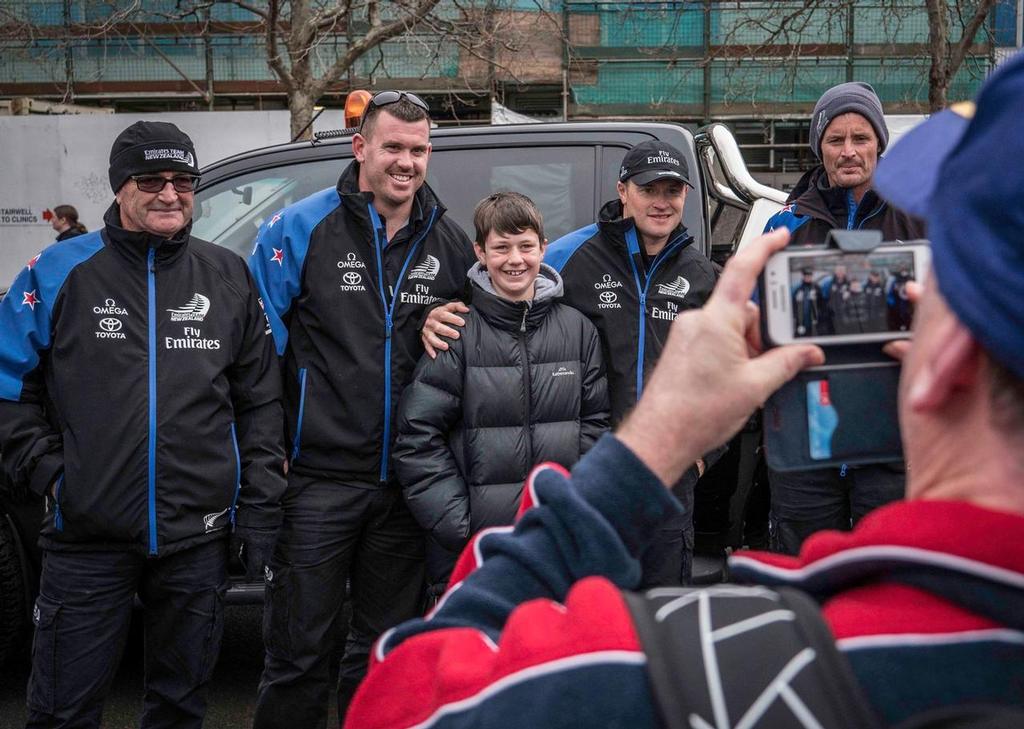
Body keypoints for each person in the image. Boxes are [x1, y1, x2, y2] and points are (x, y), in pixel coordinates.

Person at [342, 54, 1024, 727]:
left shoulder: (724, 667)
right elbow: (517, 290)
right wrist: (453, 310)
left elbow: (408, 696)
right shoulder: (582, 257)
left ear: (945, 357)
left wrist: (653, 446)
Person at [0, 121, 286, 729]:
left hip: (197, 540)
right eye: (150, 180)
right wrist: (53, 476)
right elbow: (6, 389)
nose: (169, 194)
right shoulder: (57, 271)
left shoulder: (228, 274)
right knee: (61, 712)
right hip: (86, 539)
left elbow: (261, 402)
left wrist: (259, 507)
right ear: (119, 187)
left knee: (180, 708)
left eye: (183, 181)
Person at [248, 90, 477, 727]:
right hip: (316, 480)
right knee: (298, 656)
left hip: (406, 488)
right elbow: (254, 357)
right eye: (393, 148)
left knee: (383, 657)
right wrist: (268, 461)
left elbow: (482, 348)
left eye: (419, 149)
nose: (407, 162)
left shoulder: (452, 243)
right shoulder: (298, 229)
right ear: (361, 149)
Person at [423, 140, 722, 586]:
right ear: (623, 191)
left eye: (672, 191)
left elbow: (727, 370)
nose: (661, 202)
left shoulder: (702, 275)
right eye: (648, 189)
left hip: (668, 478)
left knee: (662, 612)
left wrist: (704, 453)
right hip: (593, 475)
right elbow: (504, 297)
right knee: (595, 612)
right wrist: (434, 313)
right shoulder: (575, 257)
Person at [393, 192, 609, 595]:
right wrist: (462, 524)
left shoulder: (577, 330)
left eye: (526, 246)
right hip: (477, 552)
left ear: (543, 247)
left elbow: (597, 424)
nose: (515, 259)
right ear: (480, 251)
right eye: (501, 247)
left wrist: (572, 507)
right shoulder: (456, 331)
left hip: (556, 542)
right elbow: (417, 436)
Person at [762, 82, 925, 554]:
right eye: (836, 140)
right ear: (820, 149)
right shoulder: (786, 226)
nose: (849, 151)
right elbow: (761, 326)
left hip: (892, 444)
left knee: (887, 584)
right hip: (806, 442)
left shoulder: (918, 221)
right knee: (809, 578)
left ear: (879, 144)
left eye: (861, 138)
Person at [792, 266, 824, 337]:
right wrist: (795, 315)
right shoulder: (798, 289)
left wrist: (819, 314)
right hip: (801, 320)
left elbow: (822, 303)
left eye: (809, 276)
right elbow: (793, 304)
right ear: (803, 276)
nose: (808, 278)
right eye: (806, 276)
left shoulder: (816, 288)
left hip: (814, 320)